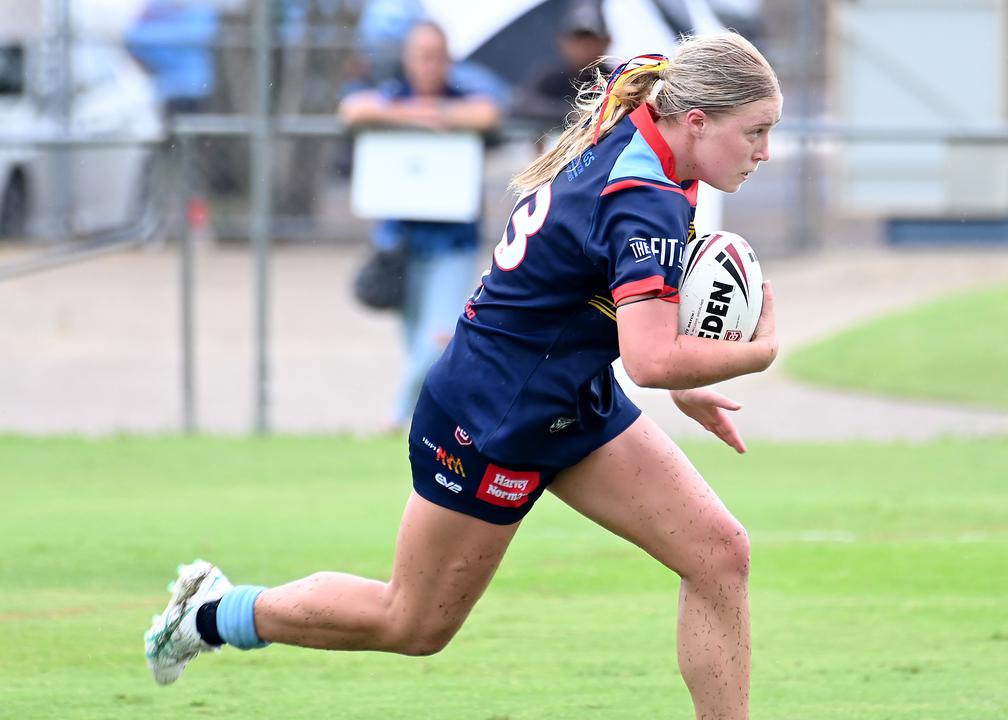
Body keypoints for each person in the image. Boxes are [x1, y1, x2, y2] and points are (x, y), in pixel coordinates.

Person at [145, 31, 781, 719]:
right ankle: (212, 614)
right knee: (411, 624)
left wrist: (686, 380)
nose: (765, 151)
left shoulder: (650, 136)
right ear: (697, 121)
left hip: (568, 396)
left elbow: (628, 300)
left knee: (720, 554)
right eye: (756, 131)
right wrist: (759, 351)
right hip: (492, 417)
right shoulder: (644, 193)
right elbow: (651, 359)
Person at [337, 22, 506, 429]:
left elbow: (488, 112)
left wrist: (441, 115)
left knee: (439, 337)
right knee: (415, 338)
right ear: (408, 59)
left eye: (437, 55)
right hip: (401, 242)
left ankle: (398, 416)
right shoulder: (394, 94)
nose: (429, 65)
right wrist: (414, 116)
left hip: (452, 243)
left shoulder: (463, 96)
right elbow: (353, 109)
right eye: (421, 55)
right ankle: (428, 420)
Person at [511, 1, 615, 138]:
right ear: (561, 41)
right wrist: (573, 113)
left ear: (606, 42)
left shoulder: (615, 78)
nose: (582, 47)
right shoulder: (550, 77)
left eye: (590, 40)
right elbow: (522, 106)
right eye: (577, 39)